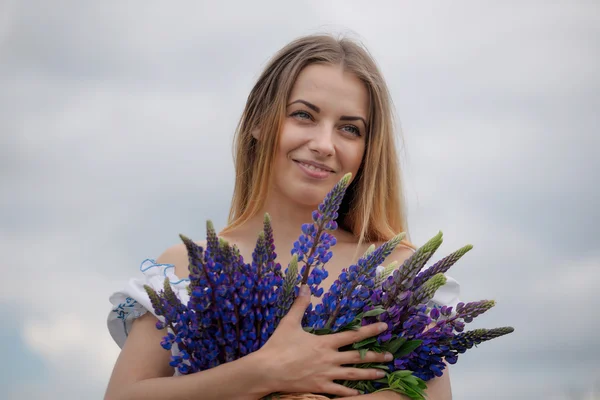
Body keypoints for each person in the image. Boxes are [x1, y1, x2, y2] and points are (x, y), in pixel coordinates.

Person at [105, 33, 460, 400]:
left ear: (368, 150)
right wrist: (264, 372)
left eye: (349, 129)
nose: (324, 144)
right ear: (259, 121)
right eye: (303, 115)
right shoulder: (187, 267)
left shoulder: (398, 274)